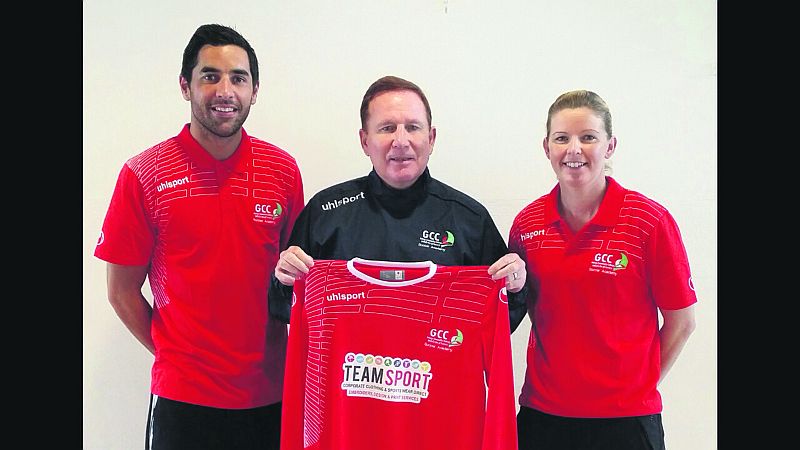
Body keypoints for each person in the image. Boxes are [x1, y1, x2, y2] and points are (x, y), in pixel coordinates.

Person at [94, 24, 304, 450]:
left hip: (269, 398)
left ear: (255, 91)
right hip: (182, 403)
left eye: (238, 78)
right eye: (210, 76)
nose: (224, 90)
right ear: (185, 86)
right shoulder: (144, 175)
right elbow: (121, 291)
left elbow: (295, 282)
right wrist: (176, 356)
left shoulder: (282, 171)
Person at [508, 89, 697, 450]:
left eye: (588, 137)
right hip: (543, 417)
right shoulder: (527, 224)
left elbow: (682, 321)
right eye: (562, 138)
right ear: (546, 147)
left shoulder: (649, 221)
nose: (574, 149)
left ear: (609, 146)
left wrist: (639, 386)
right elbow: (511, 309)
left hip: (626, 424)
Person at [267, 75, 528, 329]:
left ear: (431, 138)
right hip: (345, 371)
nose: (401, 141)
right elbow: (284, 307)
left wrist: (515, 287)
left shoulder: (470, 219)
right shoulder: (326, 211)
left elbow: (502, 319)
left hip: (434, 372)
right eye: (387, 128)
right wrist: (286, 280)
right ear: (365, 141)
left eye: (413, 127)